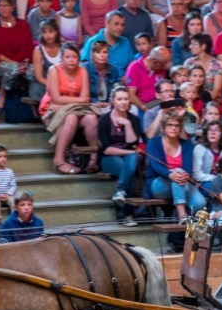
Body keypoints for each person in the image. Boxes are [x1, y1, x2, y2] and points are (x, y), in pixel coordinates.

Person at [41, 43, 98, 174]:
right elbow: (56, 99)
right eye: (67, 57)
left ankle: (93, 159)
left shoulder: (83, 71)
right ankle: (58, 160)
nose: (71, 60)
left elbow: (85, 98)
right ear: (61, 58)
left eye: (74, 56)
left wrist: (67, 102)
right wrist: (78, 101)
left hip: (76, 109)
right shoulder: (54, 70)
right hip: (52, 109)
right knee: (71, 118)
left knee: (91, 118)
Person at [144, 111, 206, 220]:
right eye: (170, 125)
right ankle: (181, 215)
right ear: (163, 127)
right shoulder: (153, 142)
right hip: (158, 183)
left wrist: (186, 175)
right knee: (177, 171)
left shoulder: (187, 145)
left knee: (201, 203)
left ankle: (189, 233)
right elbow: (156, 166)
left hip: (181, 182)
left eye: (177, 125)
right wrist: (170, 175)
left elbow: (188, 168)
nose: (174, 128)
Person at [97, 86, 143, 224]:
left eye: (126, 99)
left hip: (130, 158)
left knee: (131, 161)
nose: (123, 102)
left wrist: (127, 124)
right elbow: (106, 150)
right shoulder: (104, 120)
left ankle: (120, 194)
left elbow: (132, 143)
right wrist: (130, 152)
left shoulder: (133, 120)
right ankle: (127, 214)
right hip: (108, 158)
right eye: (119, 99)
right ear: (112, 101)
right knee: (127, 167)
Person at [192, 119, 222, 189]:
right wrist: (216, 178)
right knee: (214, 186)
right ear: (206, 133)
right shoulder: (199, 148)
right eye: (210, 130)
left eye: (217, 130)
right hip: (205, 182)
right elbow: (196, 174)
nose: (213, 132)